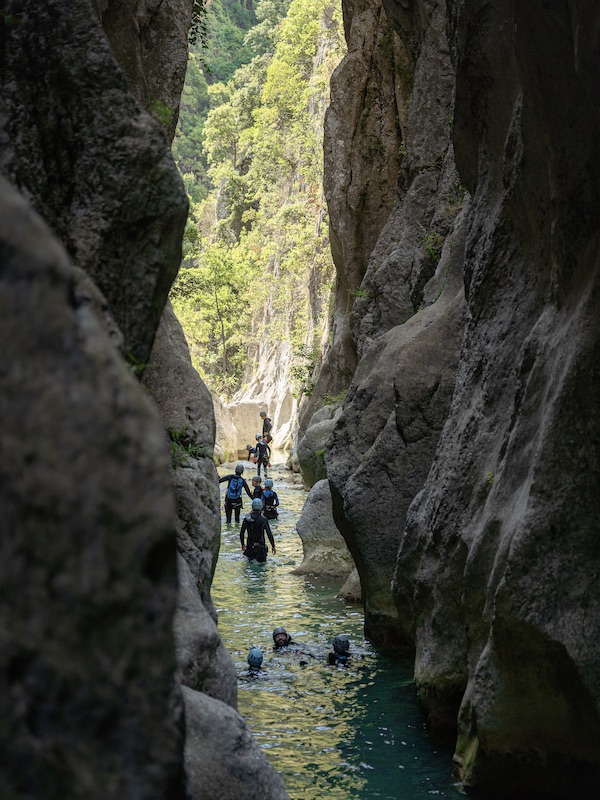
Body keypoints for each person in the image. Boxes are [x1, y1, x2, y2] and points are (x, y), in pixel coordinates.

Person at [240, 498, 276, 563]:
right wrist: (273, 546)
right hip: (261, 548)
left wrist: (243, 544)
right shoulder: (264, 520)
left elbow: (242, 533)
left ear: (252, 506)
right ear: (261, 507)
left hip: (250, 548)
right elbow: (269, 534)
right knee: (262, 567)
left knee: (250, 567)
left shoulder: (247, 519)